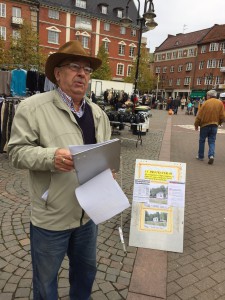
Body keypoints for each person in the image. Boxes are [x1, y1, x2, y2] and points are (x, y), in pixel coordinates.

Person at [7, 40, 111, 300]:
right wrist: (51, 157)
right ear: (58, 73)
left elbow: (104, 156)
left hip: (88, 215)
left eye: (87, 69)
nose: (82, 74)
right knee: (45, 282)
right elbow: (16, 152)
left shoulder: (99, 114)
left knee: (86, 274)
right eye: (74, 67)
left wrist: (108, 170)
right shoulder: (32, 108)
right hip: (51, 216)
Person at [194, 89, 225, 165]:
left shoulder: (205, 103)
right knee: (212, 141)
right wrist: (220, 122)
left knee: (202, 140)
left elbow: (199, 115)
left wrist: (196, 125)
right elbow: (222, 116)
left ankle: (201, 156)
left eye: (207, 95)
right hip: (214, 125)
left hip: (205, 125)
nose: (206, 96)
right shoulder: (220, 103)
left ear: (209, 96)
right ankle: (211, 155)